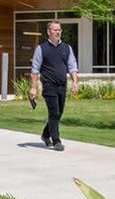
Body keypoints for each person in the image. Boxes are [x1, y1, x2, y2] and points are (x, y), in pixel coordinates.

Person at [29, 20, 78, 151]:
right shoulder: (41, 49)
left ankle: (45, 135)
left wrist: (75, 82)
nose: (58, 32)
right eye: (55, 30)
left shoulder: (67, 48)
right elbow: (35, 69)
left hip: (62, 85)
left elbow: (72, 66)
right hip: (49, 85)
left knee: (58, 113)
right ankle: (56, 140)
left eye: (59, 30)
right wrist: (33, 87)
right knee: (54, 112)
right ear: (48, 32)